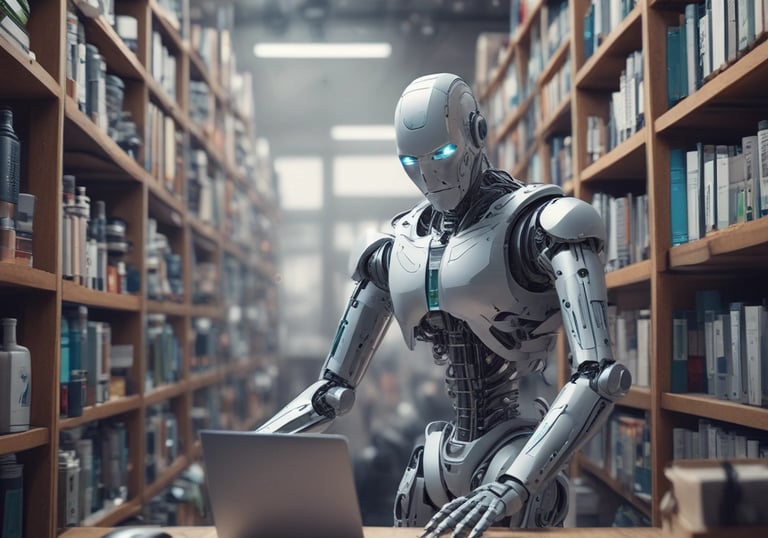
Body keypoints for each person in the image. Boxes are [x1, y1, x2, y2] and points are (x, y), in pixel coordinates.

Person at [256, 73, 630, 537]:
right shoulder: (397, 245)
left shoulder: (540, 225)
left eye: (443, 154)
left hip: (516, 452)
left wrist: (514, 484)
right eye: (411, 161)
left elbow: (599, 374)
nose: (430, 174)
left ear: (476, 132)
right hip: (442, 452)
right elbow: (333, 388)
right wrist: (255, 449)